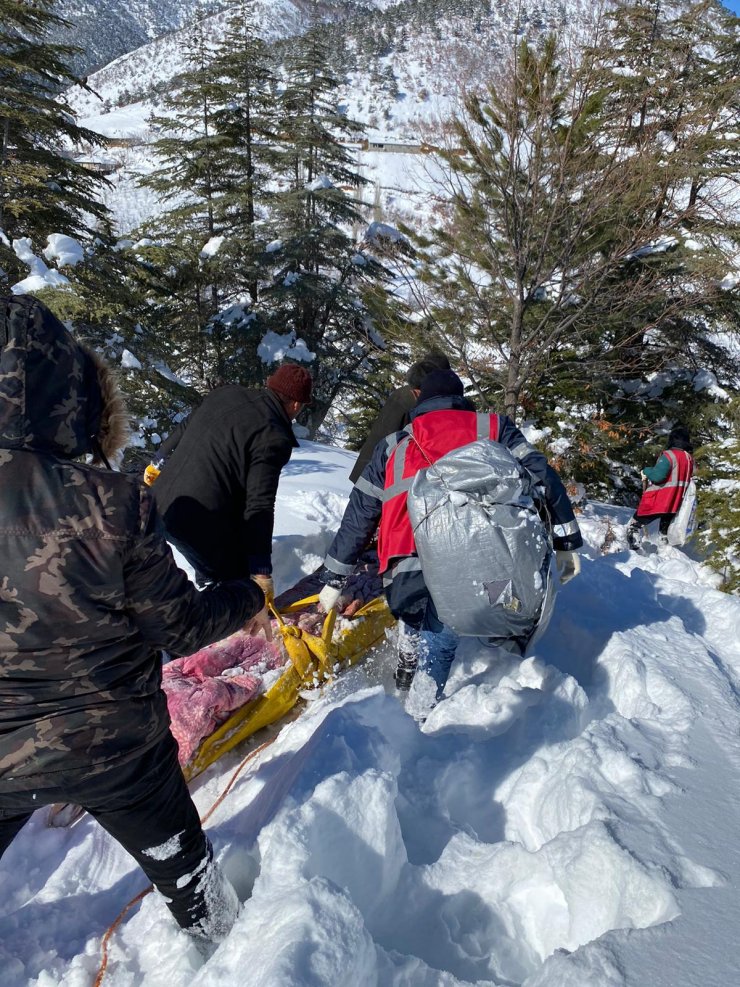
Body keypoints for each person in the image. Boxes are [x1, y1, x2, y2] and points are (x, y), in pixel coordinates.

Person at [0, 296, 267, 943]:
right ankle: (229, 955)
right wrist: (247, 593)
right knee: (196, 892)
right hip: (119, 753)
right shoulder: (111, 502)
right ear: (70, 391)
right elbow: (177, 624)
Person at [317, 370, 583, 716]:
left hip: (406, 563)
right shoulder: (494, 428)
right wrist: (566, 540)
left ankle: (409, 690)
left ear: (421, 402)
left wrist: (335, 577)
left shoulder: (394, 443)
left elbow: (360, 514)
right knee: (442, 638)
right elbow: (543, 476)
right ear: (461, 400)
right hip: (478, 559)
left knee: (417, 616)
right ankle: (415, 711)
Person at [153, 363, 313, 633]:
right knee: (239, 582)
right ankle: (231, 640)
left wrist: (157, 460)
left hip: (158, 501)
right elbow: (259, 505)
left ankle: (209, 591)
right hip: (193, 518)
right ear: (297, 404)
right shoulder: (273, 435)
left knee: (218, 561)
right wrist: (261, 572)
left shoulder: (226, 393)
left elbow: (185, 426)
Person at [349, 352, 451, 484]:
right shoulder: (412, 399)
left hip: (380, 469)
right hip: (383, 473)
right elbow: (387, 437)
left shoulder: (412, 395)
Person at [626, 425, 694, 549]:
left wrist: (646, 471)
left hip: (661, 498)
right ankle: (664, 546)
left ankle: (633, 541)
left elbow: (658, 476)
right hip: (677, 500)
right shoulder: (688, 458)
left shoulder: (669, 455)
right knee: (665, 525)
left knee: (637, 521)